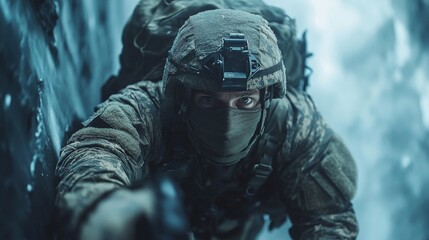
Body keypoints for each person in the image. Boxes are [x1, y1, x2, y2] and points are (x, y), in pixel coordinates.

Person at [55, 8, 359, 240]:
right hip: (154, 205)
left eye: (245, 101)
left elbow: (330, 218)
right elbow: (101, 146)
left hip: (238, 212)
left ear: (267, 99)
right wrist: (107, 210)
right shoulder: (154, 106)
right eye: (209, 101)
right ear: (185, 96)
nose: (228, 123)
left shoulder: (294, 125)